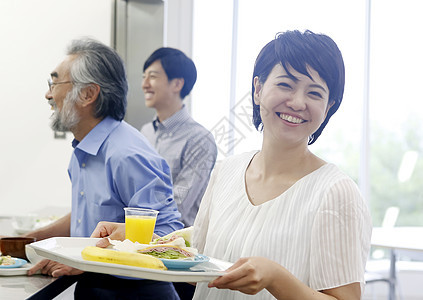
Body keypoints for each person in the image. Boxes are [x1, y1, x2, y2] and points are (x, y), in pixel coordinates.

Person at [90, 30, 372, 299]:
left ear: (329, 105)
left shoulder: (337, 192)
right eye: (285, 84)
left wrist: (276, 278)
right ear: (258, 89)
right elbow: (200, 264)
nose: (298, 102)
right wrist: (139, 240)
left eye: (315, 93)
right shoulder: (226, 171)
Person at [25, 38, 183, 299]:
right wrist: (30, 241)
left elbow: (168, 236)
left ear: (88, 94)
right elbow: (86, 214)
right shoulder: (84, 149)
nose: (48, 94)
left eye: (55, 83)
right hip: (95, 287)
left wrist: (88, 259)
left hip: (137, 292)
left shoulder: (126, 154)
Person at [140, 47, 217, 228]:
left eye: (152, 76)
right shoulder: (145, 132)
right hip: (139, 237)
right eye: (143, 77)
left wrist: (134, 214)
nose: (144, 84)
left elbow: (178, 204)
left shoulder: (200, 140)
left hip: (176, 247)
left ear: (177, 84)